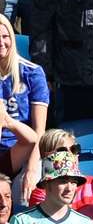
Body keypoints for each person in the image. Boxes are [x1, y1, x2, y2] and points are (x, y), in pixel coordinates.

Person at [27, 129, 93, 224]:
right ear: (47, 156)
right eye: (63, 151)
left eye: (74, 150)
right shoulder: (41, 192)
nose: (71, 155)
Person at [0, 13, 48, 202]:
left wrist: (32, 168)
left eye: (5, 36)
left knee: (30, 189)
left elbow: (39, 131)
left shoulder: (32, 73)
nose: (2, 42)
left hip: (21, 150)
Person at [11, 150, 91, 224]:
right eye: (63, 182)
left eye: (74, 182)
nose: (69, 188)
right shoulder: (22, 221)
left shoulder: (85, 222)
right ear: (46, 184)